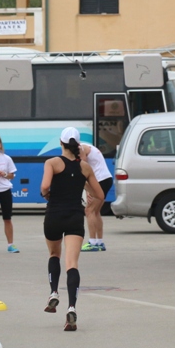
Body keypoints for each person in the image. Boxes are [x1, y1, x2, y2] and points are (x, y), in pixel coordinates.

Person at [41, 127, 104, 332]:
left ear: (60, 143)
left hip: (54, 215)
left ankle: (53, 293)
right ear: (78, 145)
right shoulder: (85, 167)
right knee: (72, 263)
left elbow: (44, 186)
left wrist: (48, 195)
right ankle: (71, 307)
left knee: (53, 254)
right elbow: (100, 194)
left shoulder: (52, 163)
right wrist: (91, 205)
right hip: (75, 217)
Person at [80, 140, 112, 252]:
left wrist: (88, 190)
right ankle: (100, 242)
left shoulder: (81, 149)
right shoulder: (89, 146)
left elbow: (83, 169)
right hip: (106, 179)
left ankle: (93, 242)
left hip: (100, 180)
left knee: (89, 210)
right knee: (96, 211)